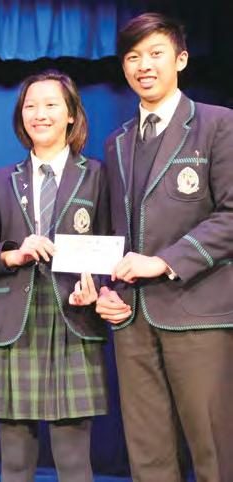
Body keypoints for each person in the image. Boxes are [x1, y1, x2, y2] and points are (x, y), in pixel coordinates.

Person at [96, 12, 233, 482]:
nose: (144, 65)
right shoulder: (116, 143)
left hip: (199, 314)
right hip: (132, 320)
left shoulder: (218, 125)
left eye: (156, 53)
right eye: (133, 57)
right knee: (148, 456)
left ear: (182, 59)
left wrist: (165, 261)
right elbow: (116, 234)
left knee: (214, 452)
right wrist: (106, 289)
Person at [0, 70, 109, 482]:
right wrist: (13, 254)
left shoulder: (98, 175)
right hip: (15, 323)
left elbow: (114, 249)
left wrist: (98, 288)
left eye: (51, 104)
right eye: (30, 106)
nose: (39, 114)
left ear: (71, 114)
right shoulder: (0, 180)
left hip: (74, 320)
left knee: (74, 461)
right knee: (14, 463)